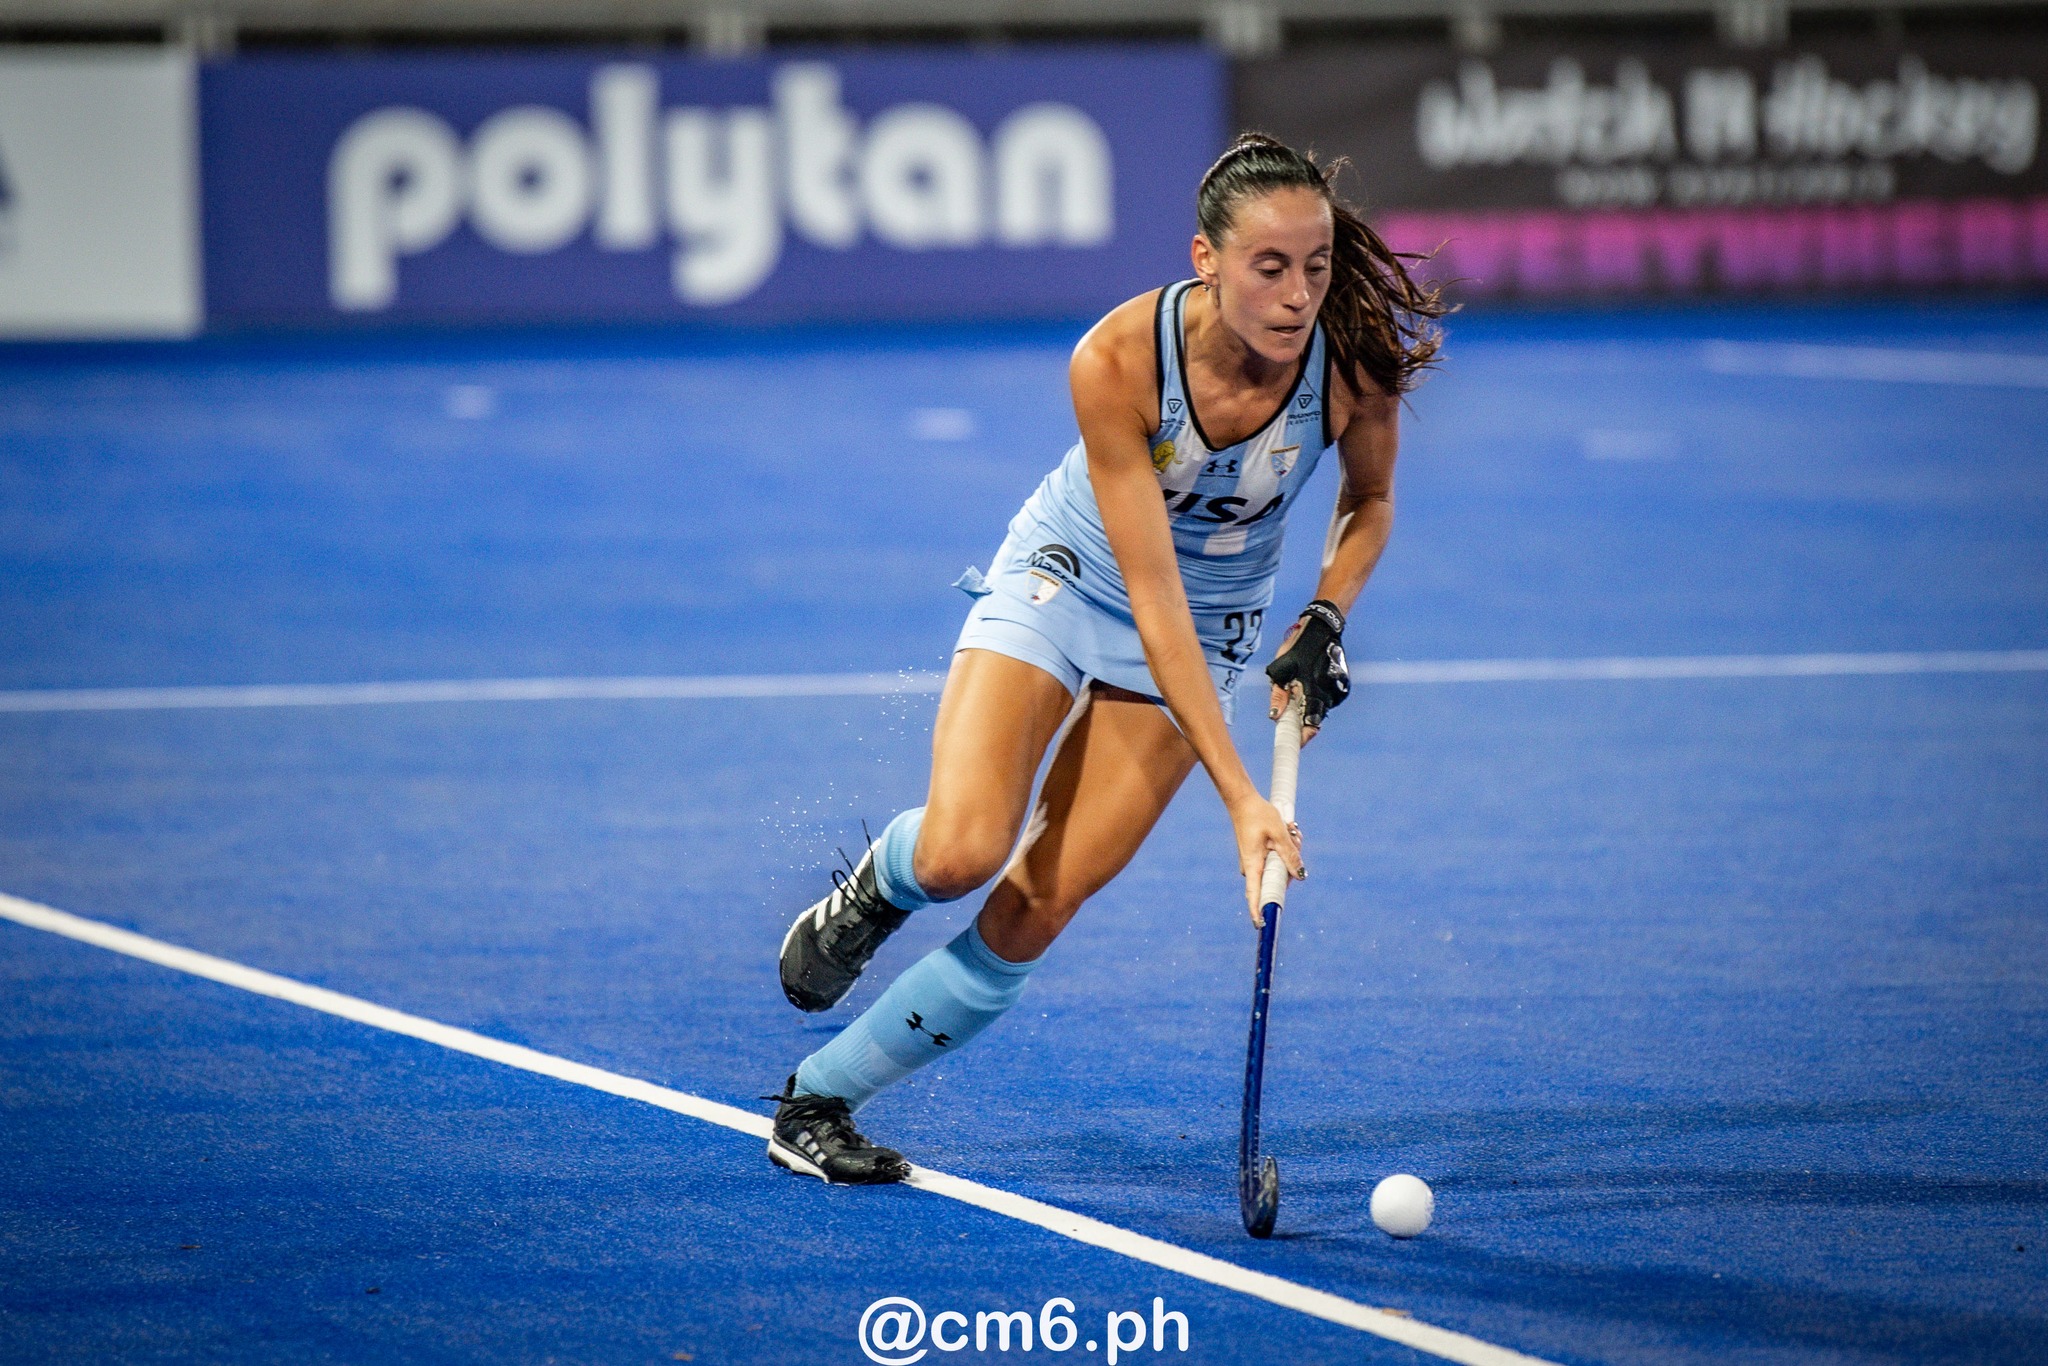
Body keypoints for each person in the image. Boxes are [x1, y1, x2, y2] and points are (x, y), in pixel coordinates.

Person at [763, 133, 1446, 1184]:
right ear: (1205, 260)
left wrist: (1323, 615)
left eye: (1313, 264)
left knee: (1037, 900)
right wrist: (1238, 798)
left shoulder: (1350, 360)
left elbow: (1369, 500)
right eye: (1269, 266)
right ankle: (877, 886)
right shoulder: (1117, 359)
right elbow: (1148, 597)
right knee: (960, 852)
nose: (1298, 291)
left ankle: (819, 1098)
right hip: (1074, 574)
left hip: (1212, 614)